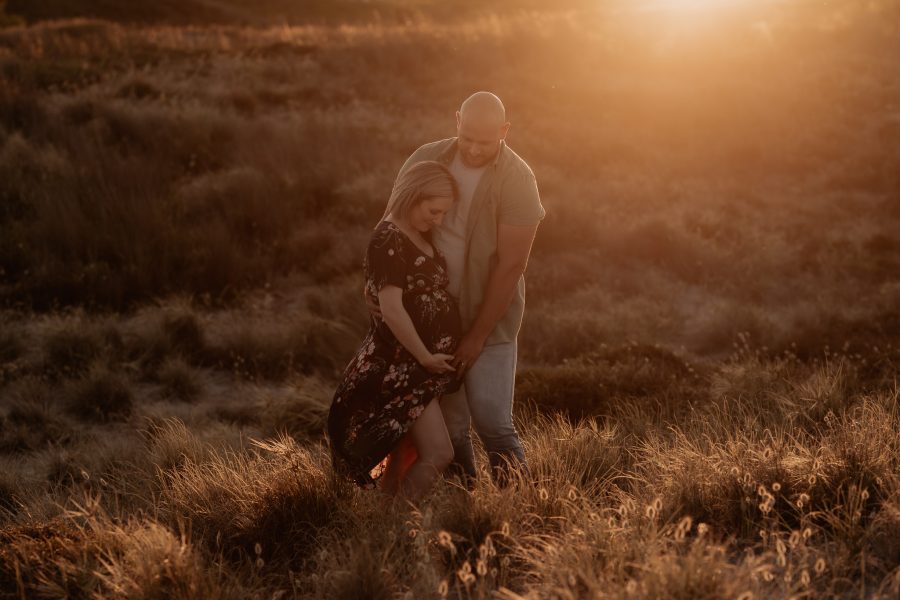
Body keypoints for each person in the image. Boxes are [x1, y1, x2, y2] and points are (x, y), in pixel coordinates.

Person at [387, 92, 545, 484]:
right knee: (453, 428)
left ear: (505, 131)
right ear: (457, 119)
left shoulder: (518, 178)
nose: (473, 150)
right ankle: (464, 511)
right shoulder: (427, 159)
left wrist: (476, 337)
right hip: (433, 321)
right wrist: (379, 292)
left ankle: (526, 509)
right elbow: (391, 226)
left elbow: (512, 265)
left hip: (489, 323)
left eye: (486, 142)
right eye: (467, 137)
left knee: (493, 421)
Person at [328, 160, 462, 502]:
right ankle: (395, 528)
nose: (438, 220)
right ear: (414, 196)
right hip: (400, 365)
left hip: (415, 366)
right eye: (434, 211)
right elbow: (391, 308)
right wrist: (426, 358)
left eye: (444, 214)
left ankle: (384, 532)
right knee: (439, 453)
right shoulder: (389, 238)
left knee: (403, 454)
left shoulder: (414, 233)